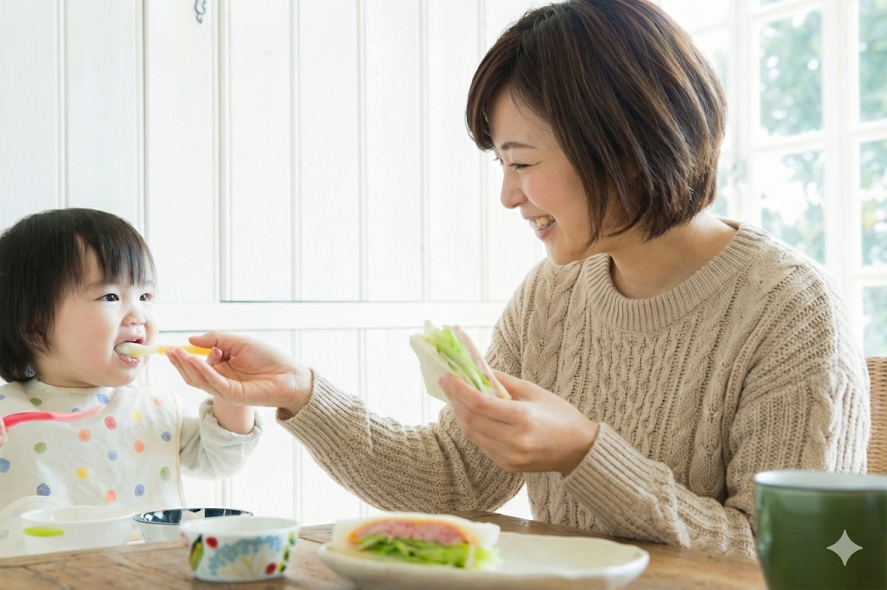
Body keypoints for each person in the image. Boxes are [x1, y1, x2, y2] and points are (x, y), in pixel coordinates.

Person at [166, 0, 869, 559]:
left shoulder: (790, 308)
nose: (507, 196)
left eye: (523, 162)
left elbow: (779, 558)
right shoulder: (552, 295)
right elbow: (451, 478)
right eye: (500, 165)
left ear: (624, 150)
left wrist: (586, 453)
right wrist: (303, 395)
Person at [0, 208, 261, 548]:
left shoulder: (153, 409)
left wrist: (231, 395)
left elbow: (220, 460)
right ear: (33, 322)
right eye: (110, 296)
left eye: (145, 295)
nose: (138, 314)